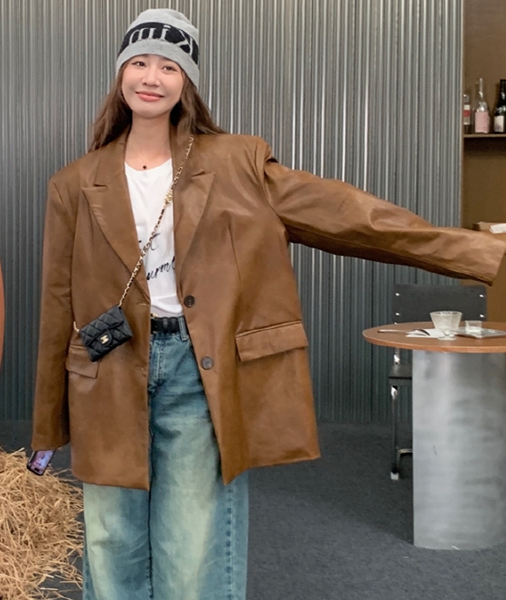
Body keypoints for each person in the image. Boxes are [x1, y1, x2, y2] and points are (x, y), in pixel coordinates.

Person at [31, 9, 506, 600]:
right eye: (140, 62)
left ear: (187, 81)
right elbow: (58, 303)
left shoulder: (236, 162)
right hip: (107, 372)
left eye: (169, 66)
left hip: (196, 368)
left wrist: (477, 252)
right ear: (121, 72)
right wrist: (47, 424)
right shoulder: (75, 182)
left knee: (193, 546)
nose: (152, 76)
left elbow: (352, 217)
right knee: (110, 542)